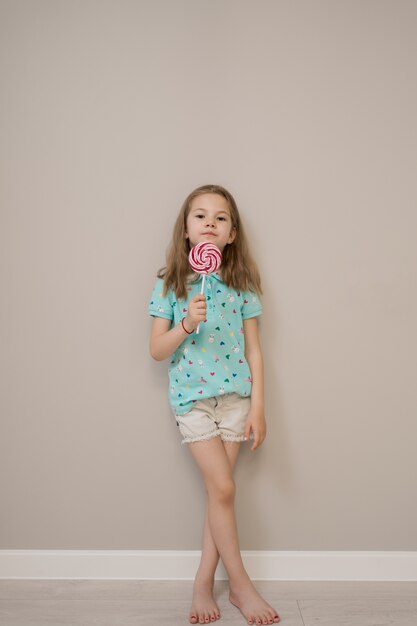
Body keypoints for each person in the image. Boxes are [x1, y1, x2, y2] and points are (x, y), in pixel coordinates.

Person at [148, 184, 280, 626]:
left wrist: (258, 407)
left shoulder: (242, 285)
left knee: (217, 494)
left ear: (232, 234)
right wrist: (187, 322)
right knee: (223, 490)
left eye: (220, 218)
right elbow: (156, 349)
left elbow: (256, 350)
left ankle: (203, 583)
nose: (209, 223)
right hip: (193, 399)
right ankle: (240, 586)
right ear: (186, 231)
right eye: (200, 216)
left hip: (236, 398)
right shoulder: (170, 282)